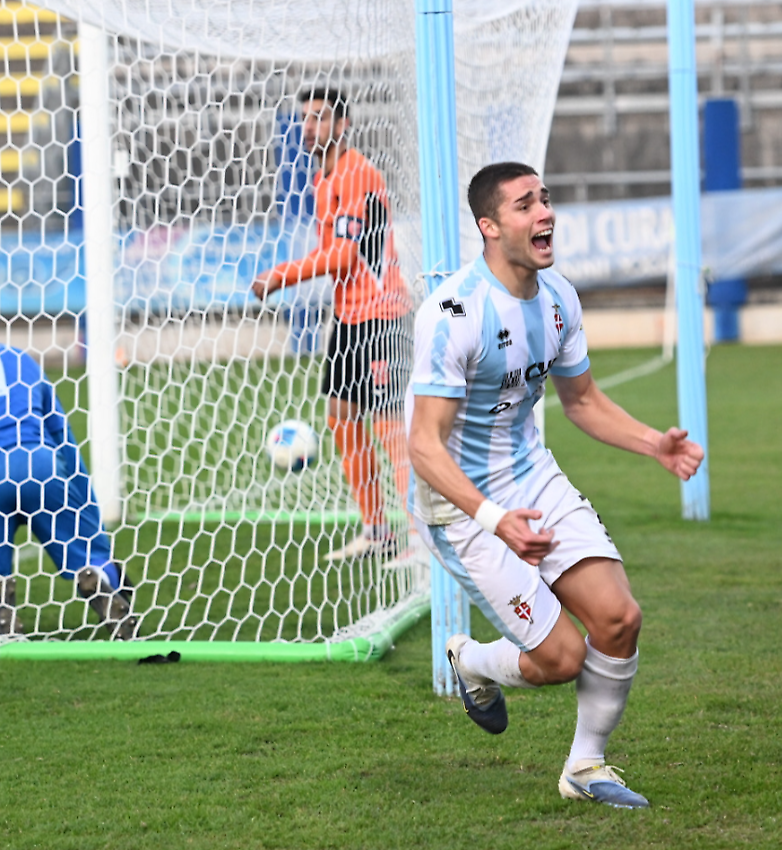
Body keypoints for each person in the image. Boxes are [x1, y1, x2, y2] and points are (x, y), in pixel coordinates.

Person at [407, 161, 704, 809]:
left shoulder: (559, 297)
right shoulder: (454, 313)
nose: (545, 214)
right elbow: (423, 446)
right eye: (524, 205)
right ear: (489, 227)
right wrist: (493, 518)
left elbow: (584, 401)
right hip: (460, 505)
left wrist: (655, 443)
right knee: (560, 659)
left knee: (619, 618)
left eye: (545, 200)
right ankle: (474, 663)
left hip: (532, 477)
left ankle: (585, 768)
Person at [252, 86, 413, 560]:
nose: (309, 126)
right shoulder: (323, 179)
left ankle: (422, 539)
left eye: (320, 118)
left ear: (343, 125)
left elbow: (343, 255)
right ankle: (376, 529)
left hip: (380, 314)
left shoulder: (358, 174)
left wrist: (280, 276)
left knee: (387, 426)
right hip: (348, 317)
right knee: (341, 419)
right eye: (304, 118)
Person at [0, 344, 135, 638]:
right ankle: (99, 575)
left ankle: (3, 609)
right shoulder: (22, 361)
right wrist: (90, 526)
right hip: (39, 461)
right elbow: (64, 441)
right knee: (84, 551)